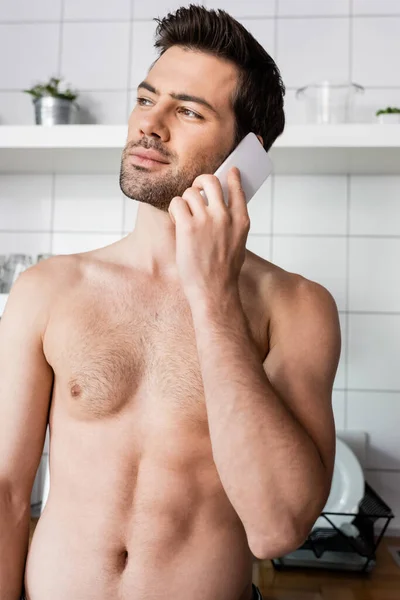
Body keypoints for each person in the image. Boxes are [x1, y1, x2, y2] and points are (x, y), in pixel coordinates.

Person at [0, 5, 341, 600]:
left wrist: (212, 299)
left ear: (248, 155)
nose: (149, 124)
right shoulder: (48, 290)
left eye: (187, 110)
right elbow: (5, 492)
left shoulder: (295, 307)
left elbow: (278, 528)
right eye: (145, 98)